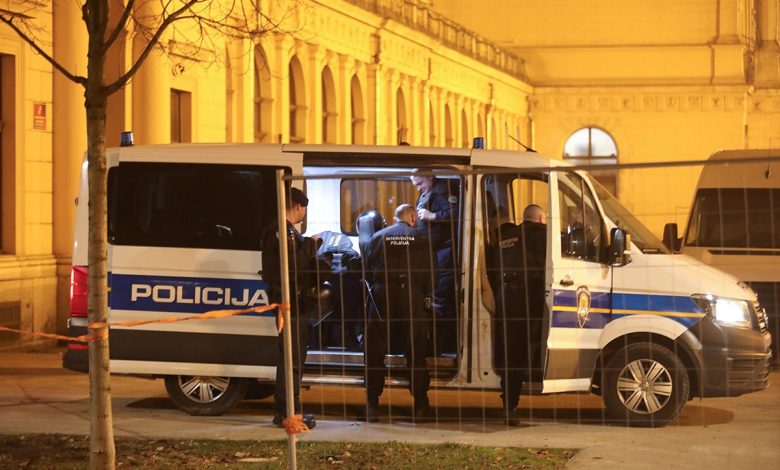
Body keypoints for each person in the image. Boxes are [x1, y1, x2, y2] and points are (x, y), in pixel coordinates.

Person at [363, 204, 433, 423]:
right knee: (415, 349)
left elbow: (367, 267)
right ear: (412, 217)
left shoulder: (378, 237)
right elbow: (431, 272)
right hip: (411, 294)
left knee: (375, 349)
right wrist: (426, 295)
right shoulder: (422, 238)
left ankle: (372, 404)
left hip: (382, 294)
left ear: (396, 218)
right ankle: (420, 405)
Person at [260, 187, 321, 429]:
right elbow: (292, 263)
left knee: (293, 357)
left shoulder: (285, 230)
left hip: (294, 302)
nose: (303, 214)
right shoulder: (280, 230)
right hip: (289, 302)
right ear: (298, 206)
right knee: (291, 359)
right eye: (304, 209)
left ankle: (290, 409)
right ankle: (286, 413)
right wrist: (312, 244)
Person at [491, 203, 546, 426]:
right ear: (540, 219)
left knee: (510, 352)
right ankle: (513, 403)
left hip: (504, 299)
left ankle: (509, 403)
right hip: (527, 299)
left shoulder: (506, 237)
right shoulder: (540, 233)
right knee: (523, 350)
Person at [409, 170, 459, 354]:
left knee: (441, 298)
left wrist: (434, 216)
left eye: (420, 183)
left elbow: (457, 213)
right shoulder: (425, 193)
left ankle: (443, 346)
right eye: (415, 185)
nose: (418, 188)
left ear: (430, 176)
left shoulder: (444, 190)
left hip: (445, 253)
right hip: (432, 254)